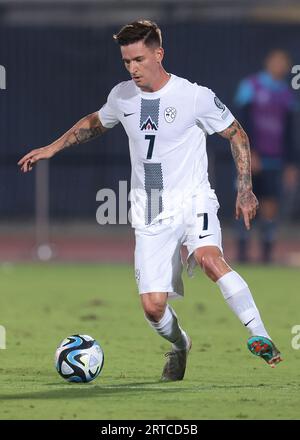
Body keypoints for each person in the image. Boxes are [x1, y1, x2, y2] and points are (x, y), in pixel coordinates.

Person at [18, 20, 282, 381]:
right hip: (151, 207)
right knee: (153, 307)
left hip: (193, 197)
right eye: (126, 61)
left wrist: (245, 188)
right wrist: (52, 147)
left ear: (159, 54)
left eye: (139, 60)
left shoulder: (194, 96)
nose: (133, 68)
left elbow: (237, 133)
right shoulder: (122, 96)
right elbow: (94, 123)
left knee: (209, 259)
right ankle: (181, 344)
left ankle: (260, 335)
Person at [234, 49, 298, 263]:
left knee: (270, 205)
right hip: (251, 159)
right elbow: (240, 122)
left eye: (283, 63)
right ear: (268, 61)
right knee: (246, 199)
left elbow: (289, 131)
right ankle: (242, 254)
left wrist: (291, 164)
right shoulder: (251, 86)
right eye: (276, 61)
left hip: (275, 160)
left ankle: (266, 256)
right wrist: (250, 153)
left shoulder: (286, 94)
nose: (279, 66)